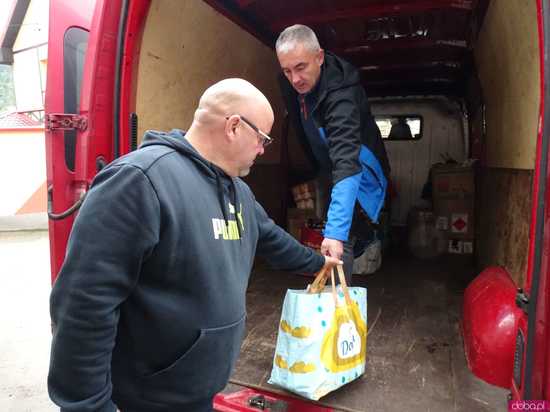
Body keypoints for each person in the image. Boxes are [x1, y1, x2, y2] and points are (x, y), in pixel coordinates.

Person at [47, 78, 342, 412]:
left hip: (199, 394)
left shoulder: (238, 191)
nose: (263, 149)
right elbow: (83, 305)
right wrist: (88, 406)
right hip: (146, 401)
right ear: (234, 126)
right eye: (262, 138)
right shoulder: (139, 181)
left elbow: (272, 239)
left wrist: (320, 265)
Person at [276, 24, 391, 285]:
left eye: (301, 67)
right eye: (287, 70)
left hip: (357, 169)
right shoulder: (291, 83)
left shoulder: (342, 97)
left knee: (343, 236)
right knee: (336, 222)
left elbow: (347, 164)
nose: (294, 79)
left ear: (319, 57)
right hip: (328, 166)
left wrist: (336, 234)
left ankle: (340, 312)